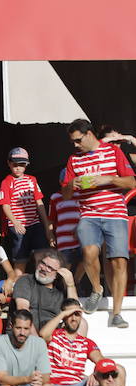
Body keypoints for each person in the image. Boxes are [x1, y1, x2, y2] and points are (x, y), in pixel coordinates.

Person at [65, 119, 136, 327]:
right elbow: (66, 195)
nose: (76, 145)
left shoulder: (113, 152)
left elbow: (131, 181)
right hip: (89, 213)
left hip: (115, 213)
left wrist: (109, 179)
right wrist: (71, 184)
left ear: (89, 134)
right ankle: (97, 288)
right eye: (73, 142)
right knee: (88, 253)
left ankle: (116, 313)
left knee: (119, 261)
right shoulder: (73, 160)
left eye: (78, 140)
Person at [0, 148, 51, 262]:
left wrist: (46, 226)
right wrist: (16, 223)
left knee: (42, 255)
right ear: (9, 163)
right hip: (17, 225)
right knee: (21, 258)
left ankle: (40, 278)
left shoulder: (32, 180)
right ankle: (19, 278)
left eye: (21, 165)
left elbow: (39, 202)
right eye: (14, 164)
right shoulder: (6, 182)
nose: (17, 168)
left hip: (34, 222)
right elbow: (5, 205)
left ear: (26, 164)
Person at [14, 249, 77, 328]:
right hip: (29, 332)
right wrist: (36, 339)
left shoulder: (60, 290)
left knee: (83, 324)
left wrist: (70, 285)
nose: (43, 268)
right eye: (42, 263)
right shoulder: (26, 280)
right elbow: (23, 310)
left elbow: (75, 313)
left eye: (49, 268)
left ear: (57, 274)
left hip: (53, 333)